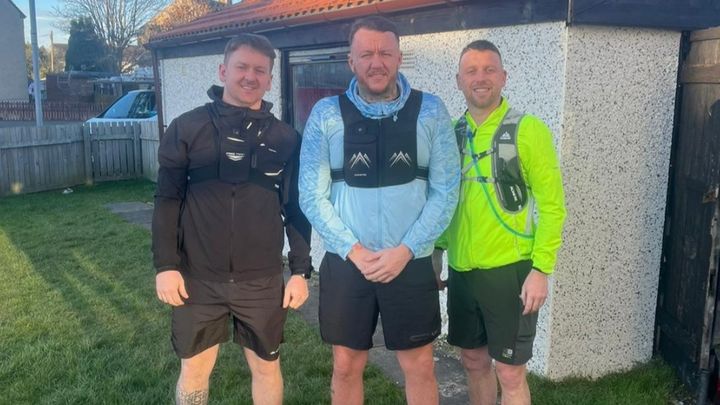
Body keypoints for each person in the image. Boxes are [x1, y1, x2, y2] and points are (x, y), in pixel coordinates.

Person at [299, 15, 460, 405]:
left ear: (399, 57)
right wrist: (353, 251)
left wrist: (405, 250)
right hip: (348, 262)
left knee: (419, 366)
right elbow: (311, 194)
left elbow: (446, 192)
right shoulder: (326, 114)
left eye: (385, 53)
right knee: (346, 365)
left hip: (410, 261)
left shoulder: (431, 111)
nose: (377, 62)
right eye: (366, 54)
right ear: (350, 61)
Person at [152, 33, 312, 405]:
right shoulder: (187, 128)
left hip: (261, 281)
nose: (249, 76)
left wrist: (301, 272)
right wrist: (166, 266)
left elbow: (296, 208)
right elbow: (167, 200)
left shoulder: (286, 139)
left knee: (267, 368)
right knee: (194, 369)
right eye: (242, 67)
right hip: (197, 277)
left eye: (260, 70)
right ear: (223, 71)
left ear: (270, 79)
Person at [435, 40, 566, 405]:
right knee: (473, 361)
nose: (480, 78)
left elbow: (553, 207)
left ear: (504, 77)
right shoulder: (451, 134)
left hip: (511, 272)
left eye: (489, 70)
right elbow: (444, 202)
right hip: (462, 271)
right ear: (459, 80)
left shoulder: (528, 130)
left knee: (509, 372)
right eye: (471, 71)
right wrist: (437, 253)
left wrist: (541, 269)